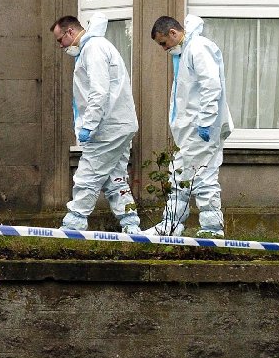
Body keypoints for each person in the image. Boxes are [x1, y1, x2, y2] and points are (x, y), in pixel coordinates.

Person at [144, 14, 234, 238]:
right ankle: (172, 225)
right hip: (192, 130)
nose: (164, 49)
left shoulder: (198, 48)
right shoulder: (187, 52)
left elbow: (211, 86)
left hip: (200, 129)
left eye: (164, 43)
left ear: (173, 33)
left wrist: (205, 122)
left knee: (201, 177)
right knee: (181, 176)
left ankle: (211, 230)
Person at [51, 12, 141, 234]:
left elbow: (98, 92)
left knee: (87, 175)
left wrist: (89, 125)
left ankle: (74, 225)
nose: (61, 46)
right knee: (115, 177)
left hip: (106, 128)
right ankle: (131, 225)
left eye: (60, 40)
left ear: (70, 32)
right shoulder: (97, 47)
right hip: (118, 124)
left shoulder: (93, 49)